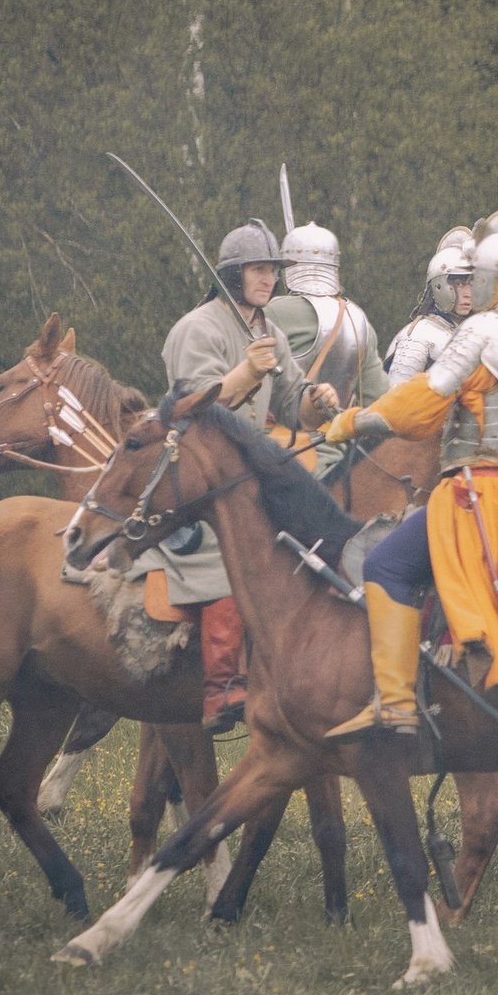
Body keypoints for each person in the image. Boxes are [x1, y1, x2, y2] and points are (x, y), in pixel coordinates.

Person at [318, 219, 498, 738]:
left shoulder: (484, 331)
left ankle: (396, 703)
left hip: (480, 494)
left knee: (386, 565)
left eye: (476, 279)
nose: (471, 290)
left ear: (494, 280)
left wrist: (352, 422)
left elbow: (421, 406)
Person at [158, 220, 310, 733]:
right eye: (259, 270)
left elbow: (292, 402)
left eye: (272, 271)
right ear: (232, 275)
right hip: (195, 466)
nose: (269, 280)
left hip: (248, 471)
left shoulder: (271, 332)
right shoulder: (196, 328)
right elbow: (191, 403)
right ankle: (221, 689)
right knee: (230, 557)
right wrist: (246, 372)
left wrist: (318, 401)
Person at [264, 219, 388, 476]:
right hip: (337, 461)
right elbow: (379, 403)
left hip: (277, 457)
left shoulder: (271, 311)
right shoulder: (358, 320)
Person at [383, 227, 474, 384]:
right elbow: (396, 398)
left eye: (471, 284)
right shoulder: (417, 337)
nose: (468, 293)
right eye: (459, 284)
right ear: (439, 286)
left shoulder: (473, 331)